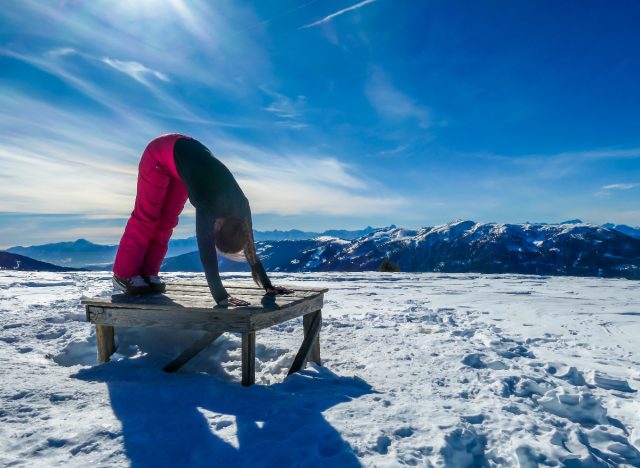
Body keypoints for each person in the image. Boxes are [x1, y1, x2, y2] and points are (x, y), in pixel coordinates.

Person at [112, 133, 292, 306]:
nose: (211, 234)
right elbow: (207, 254)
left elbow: (250, 249)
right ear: (219, 227)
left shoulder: (242, 209)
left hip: (185, 158)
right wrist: (221, 296)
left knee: (167, 221)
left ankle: (148, 272)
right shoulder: (208, 204)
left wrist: (268, 287)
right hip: (160, 153)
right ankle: (123, 274)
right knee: (148, 216)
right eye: (215, 236)